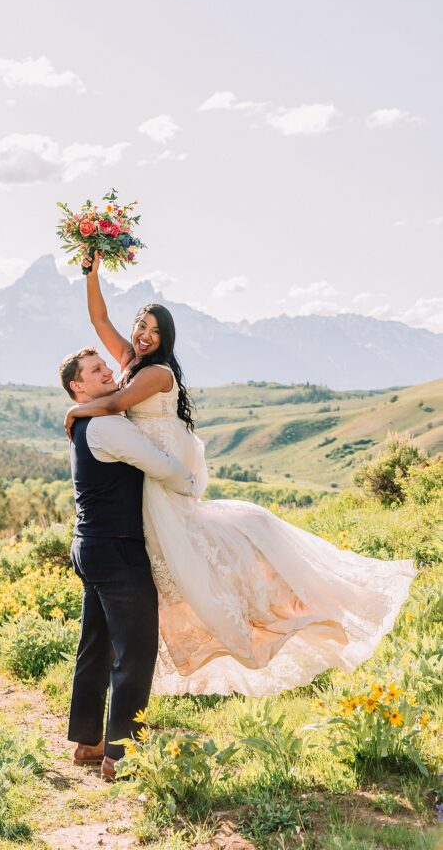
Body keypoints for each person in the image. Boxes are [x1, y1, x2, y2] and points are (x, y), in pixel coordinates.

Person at [63, 251, 417, 698]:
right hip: (150, 471)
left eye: (155, 331)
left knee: (185, 550)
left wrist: (78, 409)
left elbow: (115, 405)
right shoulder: (131, 358)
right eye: (142, 326)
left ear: (166, 339)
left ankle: (267, 611)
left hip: (163, 470)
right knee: (167, 554)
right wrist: (91, 275)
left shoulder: (154, 372)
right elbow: (98, 318)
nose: (145, 335)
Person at [59, 345, 198, 779]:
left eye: (105, 365)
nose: (107, 372)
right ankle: (121, 756)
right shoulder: (105, 427)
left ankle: (88, 743)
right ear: (78, 388)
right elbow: (162, 466)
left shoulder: (87, 425)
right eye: (95, 370)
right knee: (136, 652)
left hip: (89, 546)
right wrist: (190, 484)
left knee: (96, 646)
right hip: (117, 550)